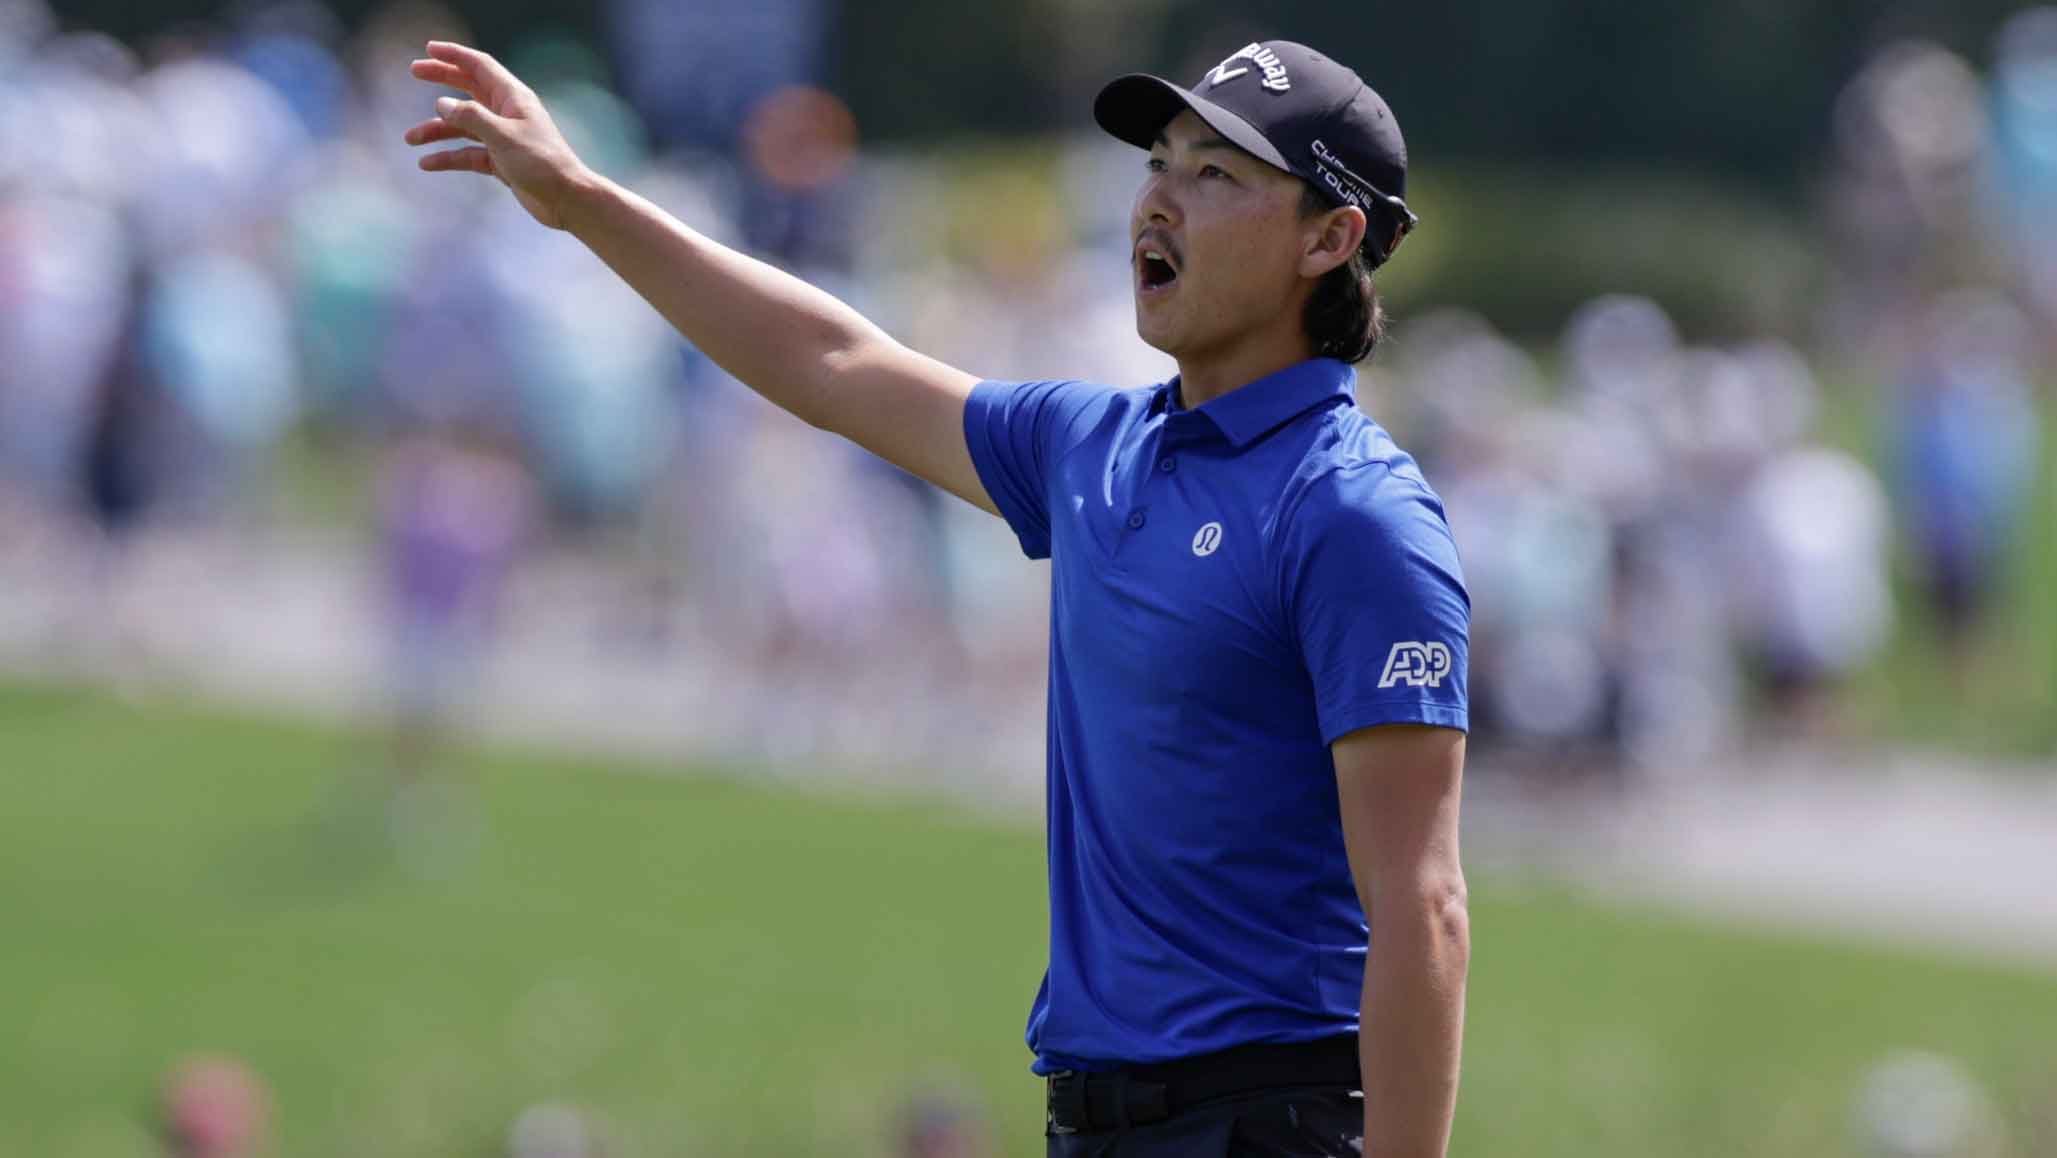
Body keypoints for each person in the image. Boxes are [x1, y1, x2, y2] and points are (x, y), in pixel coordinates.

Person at [405, 35, 1470, 1157]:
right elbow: (832, 364)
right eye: (1159, 163)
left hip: (1266, 1122)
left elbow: (1422, 906)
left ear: (1329, 238)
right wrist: (579, 201)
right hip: (1094, 1118)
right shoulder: (1091, 446)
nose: (1157, 201)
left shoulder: (1353, 515)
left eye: (1215, 174)